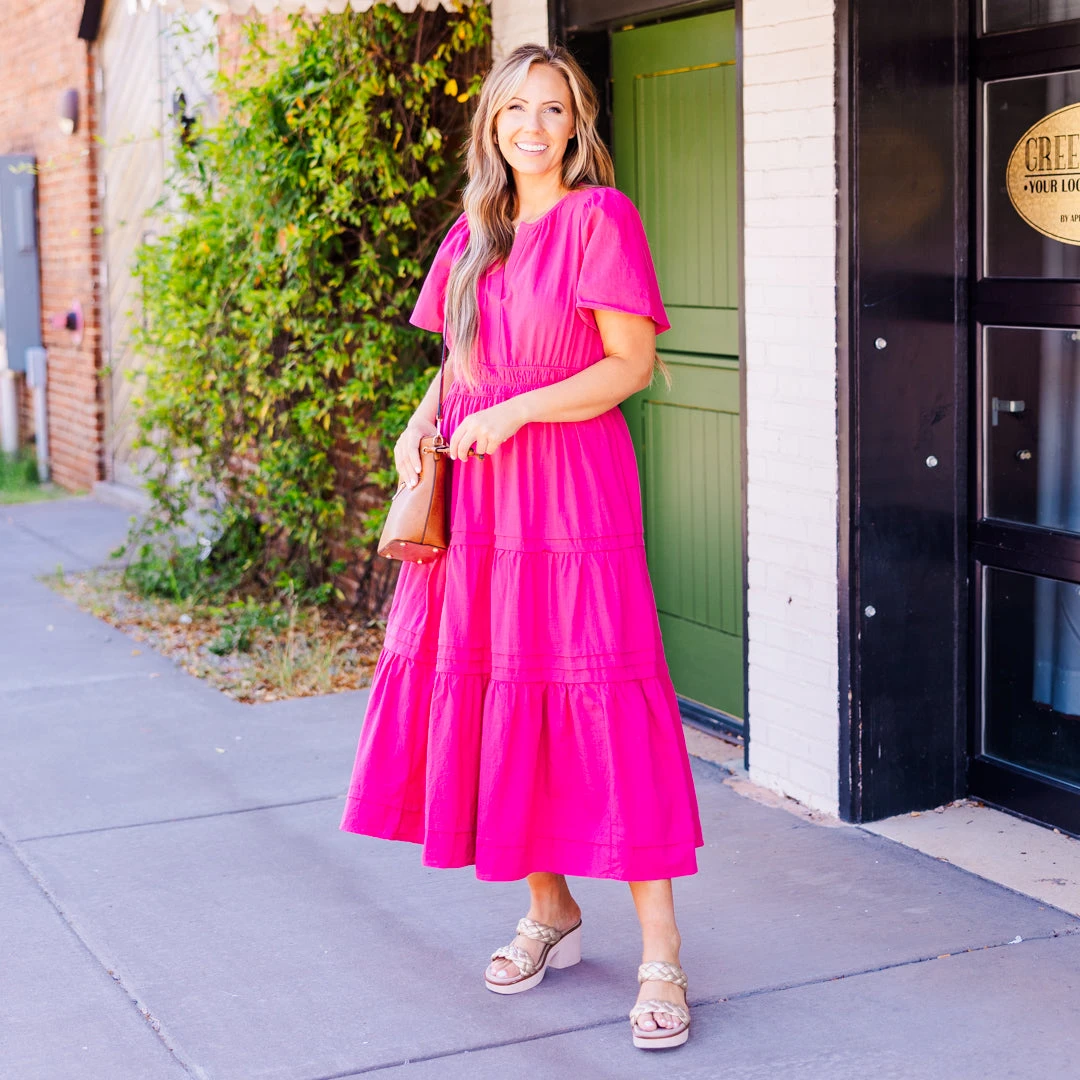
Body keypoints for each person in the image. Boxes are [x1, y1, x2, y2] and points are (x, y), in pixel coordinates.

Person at [341, 42, 703, 1051]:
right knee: (501, 684)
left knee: (601, 692)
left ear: (577, 123)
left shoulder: (600, 217)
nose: (532, 127)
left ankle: (662, 952)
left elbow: (630, 364)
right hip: (479, 496)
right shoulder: (472, 233)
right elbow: (455, 363)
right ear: (491, 126)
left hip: (571, 492)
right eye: (515, 110)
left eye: (552, 109)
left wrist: (518, 413)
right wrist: (420, 423)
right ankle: (551, 909)